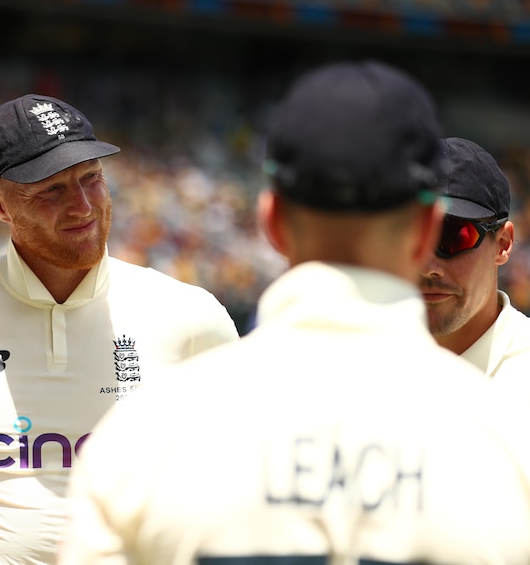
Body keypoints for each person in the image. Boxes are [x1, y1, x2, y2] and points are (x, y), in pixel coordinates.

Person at [58, 61, 530, 565]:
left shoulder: (143, 436)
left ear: (271, 222)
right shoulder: (506, 441)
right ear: (423, 228)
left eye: (456, 240)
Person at [0, 93, 240, 564]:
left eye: (92, 179)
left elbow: (252, 482)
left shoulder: (190, 318)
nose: (82, 206)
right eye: (51, 190)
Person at [420, 136, 530, 384]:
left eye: (455, 236)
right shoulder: (355, 365)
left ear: (503, 244)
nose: (428, 268)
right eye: (413, 238)